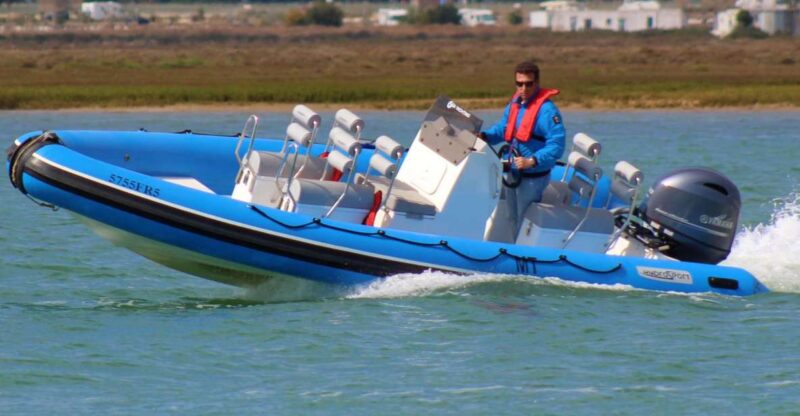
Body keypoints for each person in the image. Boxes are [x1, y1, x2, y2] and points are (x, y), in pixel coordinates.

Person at [479, 60, 566, 233]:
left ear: (537, 83)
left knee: (524, 222)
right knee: (512, 218)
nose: (523, 89)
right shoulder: (516, 104)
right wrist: (485, 136)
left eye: (528, 84)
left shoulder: (547, 112)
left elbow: (557, 145)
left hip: (532, 177)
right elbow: (503, 128)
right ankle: (515, 250)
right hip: (513, 172)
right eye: (519, 84)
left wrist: (532, 161)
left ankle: (524, 253)